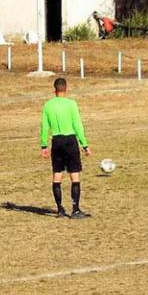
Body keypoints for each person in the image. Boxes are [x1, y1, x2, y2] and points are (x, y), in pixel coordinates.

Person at [40, 77, 91, 219]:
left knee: (57, 175)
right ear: (66, 89)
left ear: (54, 90)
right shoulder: (71, 104)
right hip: (70, 140)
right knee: (74, 175)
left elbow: (44, 126)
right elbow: (77, 125)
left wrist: (44, 145)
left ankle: (60, 209)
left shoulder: (48, 105)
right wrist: (84, 144)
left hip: (56, 141)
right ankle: (75, 209)